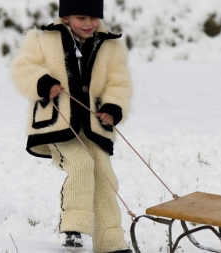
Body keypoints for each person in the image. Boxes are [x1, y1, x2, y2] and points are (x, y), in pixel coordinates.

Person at [10, 0, 133, 252]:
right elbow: (22, 68)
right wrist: (43, 82)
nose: (88, 24)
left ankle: (110, 242)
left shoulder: (109, 44)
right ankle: (73, 228)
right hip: (58, 124)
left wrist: (113, 106)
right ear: (65, 17)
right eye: (81, 17)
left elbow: (119, 82)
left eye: (93, 18)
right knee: (80, 164)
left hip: (93, 126)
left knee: (105, 177)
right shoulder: (41, 39)